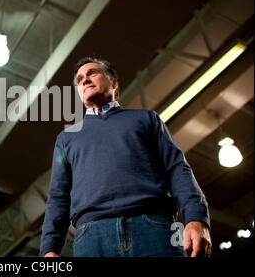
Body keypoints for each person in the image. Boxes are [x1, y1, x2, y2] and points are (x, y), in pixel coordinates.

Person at [39, 57, 212, 257]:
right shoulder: (66, 139)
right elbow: (58, 196)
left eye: (92, 73)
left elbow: (177, 169)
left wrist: (196, 218)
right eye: (79, 79)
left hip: (154, 227)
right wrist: (49, 249)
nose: (84, 80)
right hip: (92, 238)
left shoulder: (146, 119)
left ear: (114, 82)